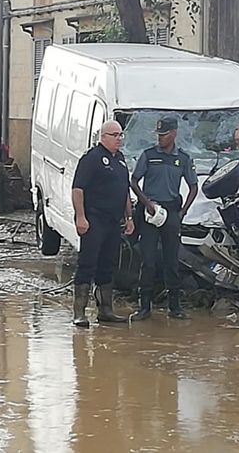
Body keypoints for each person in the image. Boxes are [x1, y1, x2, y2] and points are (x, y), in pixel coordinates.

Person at [130, 117, 198, 320]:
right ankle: (144, 307)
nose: (160, 139)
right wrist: (146, 203)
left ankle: (175, 307)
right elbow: (134, 181)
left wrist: (183, 211)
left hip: (171, 212)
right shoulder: (149, 156)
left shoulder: (183, 159)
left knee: (171, 260)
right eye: (158, 135)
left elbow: (194, 186)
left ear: (174, 134)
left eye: (164, 135)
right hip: (150, 213)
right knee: (148, 261)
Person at [70, 120, 135, 327]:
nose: (119, 139)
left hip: (113, 221)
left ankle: (105, 310)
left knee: (108, 265)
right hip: (94, 219)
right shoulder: (92, 159)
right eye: (114, 135)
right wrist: (81, 217)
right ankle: (79, 312)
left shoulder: (121, 160)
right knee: (88, 264)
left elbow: (124, 190)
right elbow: (78, 189)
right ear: (103, 137)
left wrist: (129, 217)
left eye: (120, 135)